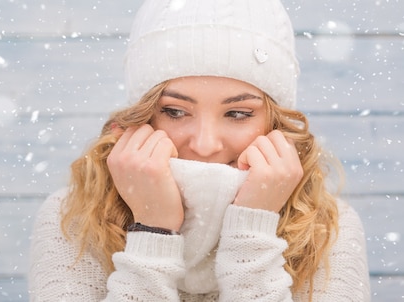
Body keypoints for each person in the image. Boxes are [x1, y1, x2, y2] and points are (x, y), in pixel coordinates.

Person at [28, 0, 371, 301]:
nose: (205, 145)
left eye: (238, 114)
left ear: (275, 125)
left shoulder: (328, 228)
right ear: (142, 117)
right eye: (175, 111)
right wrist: (153, 231)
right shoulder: (73, 218)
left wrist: (252, 233)